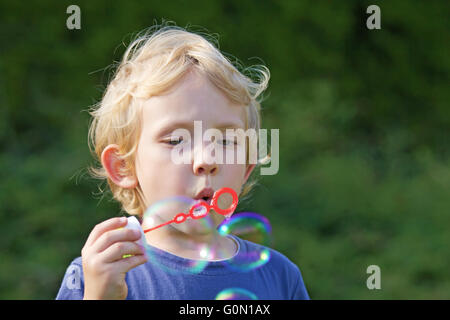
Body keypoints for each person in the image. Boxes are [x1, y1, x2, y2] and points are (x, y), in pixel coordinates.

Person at [56, 23, 309, 300]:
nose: (207, 160)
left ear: (246, 167)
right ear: (123, 166)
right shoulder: (97, 277)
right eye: (176, 140)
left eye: (226, 141)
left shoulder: (281, 277)